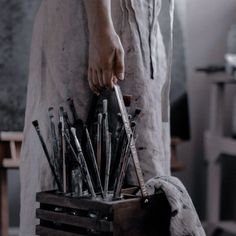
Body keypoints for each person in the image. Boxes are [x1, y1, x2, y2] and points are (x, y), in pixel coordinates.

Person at [20, 0, 173, 235]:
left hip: (140, 25)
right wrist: (101, 28)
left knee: (141, 181)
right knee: (67, 188)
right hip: (93, 22)